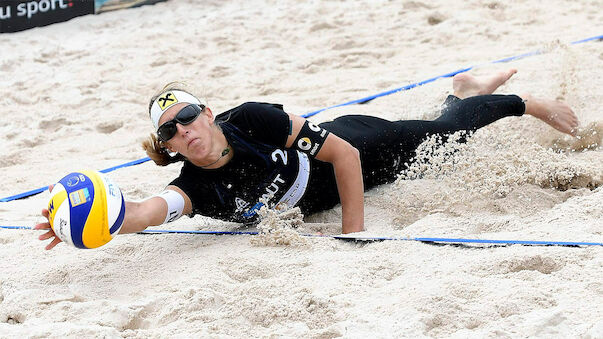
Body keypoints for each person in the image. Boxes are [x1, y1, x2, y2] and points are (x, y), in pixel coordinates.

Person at [35, 69, 579, 250]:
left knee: (446, 136)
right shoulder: (194, 189)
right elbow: (147, 212)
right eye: (170, 130)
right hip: (336, 174)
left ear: (209, 114)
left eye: (188, 115)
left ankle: (524, 102)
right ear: (171, 146)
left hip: (360, 148)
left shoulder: (252, 119)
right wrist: (90, 222)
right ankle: (463, 87)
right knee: (445, 130)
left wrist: (353, 232)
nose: (183, 129)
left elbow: (341, 154)